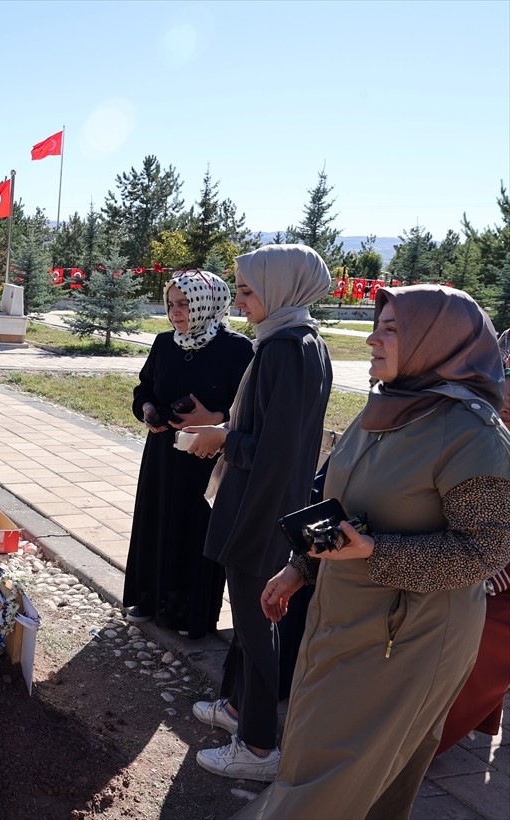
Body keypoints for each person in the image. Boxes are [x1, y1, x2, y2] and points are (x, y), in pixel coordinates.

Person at [238, 285, 510, 818]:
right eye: (376, 325)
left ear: (437, 342)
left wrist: (374, 552)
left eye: (390, 329)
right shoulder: (386, 408)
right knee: (344, 768)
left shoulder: (474, 436)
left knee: (333, 775)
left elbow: (484, 553)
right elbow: (348, 507)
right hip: (346, 618)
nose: (370, 339)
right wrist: (300, 568)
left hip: (409, 639)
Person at [183, 244, 333, 782]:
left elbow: (276, 448)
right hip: (266, 499)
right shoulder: (296, 341)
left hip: (260, 505)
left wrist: (223, 439)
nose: (240, 301)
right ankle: (238, 707)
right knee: (248, 620)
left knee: (254, 620)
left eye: (248, 291)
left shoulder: (285, 349)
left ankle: (259, 746)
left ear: (282, 289)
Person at [125, 270, 253, 638]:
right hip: (164, 455)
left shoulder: (236, 349)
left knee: (195, 529)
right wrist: (147, 411)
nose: (176, 312)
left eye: (184, 304)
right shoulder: (165, 344)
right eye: (171, 304)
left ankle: (189, 614)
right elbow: (143, 389)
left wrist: (213, 419)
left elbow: (249, 409)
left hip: (206, 458)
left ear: (206, 303)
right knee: (157, 519)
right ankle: (149, 599)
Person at [434, 334, 510, 757]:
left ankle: (428, 742)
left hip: (500, 570)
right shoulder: (473, 422)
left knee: (486, 642)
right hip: (474, 551)